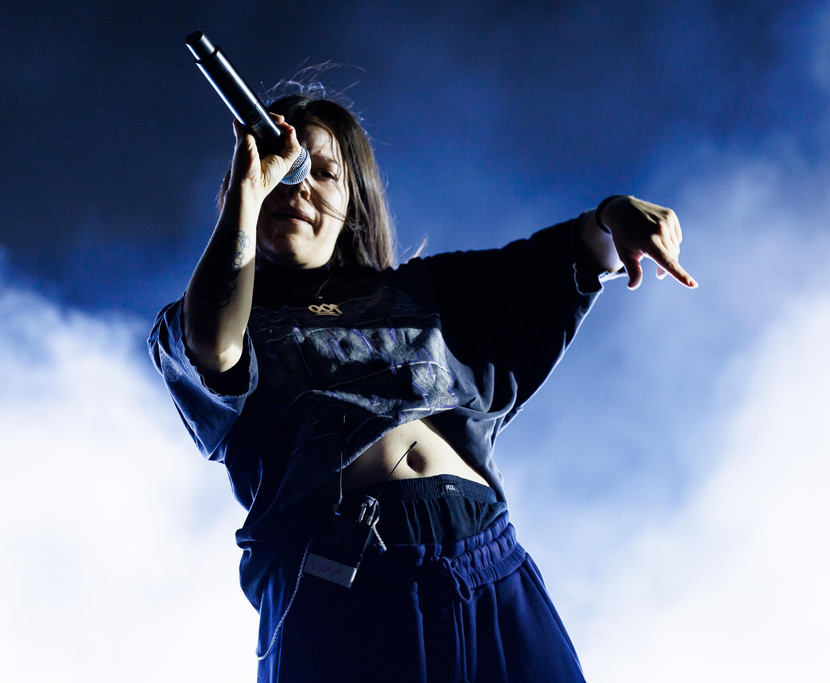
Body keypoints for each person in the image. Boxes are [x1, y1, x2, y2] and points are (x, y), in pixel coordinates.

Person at [148, 86, 696, 683]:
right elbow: (214, 345)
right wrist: (249, 190)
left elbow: (570, 259)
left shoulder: (427, 291)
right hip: (341, 592)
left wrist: (614, 215)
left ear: (354, 201)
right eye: (280, 170)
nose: (295, 187)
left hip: (489, 566)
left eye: (321, 172)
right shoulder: (211, 319)